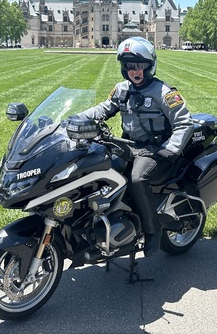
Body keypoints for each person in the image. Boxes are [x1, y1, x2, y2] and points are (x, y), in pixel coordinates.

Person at [78, 37, 193, 256]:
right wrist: (77, 119)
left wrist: (170, 150)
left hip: (155, 149)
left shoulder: (164, 92)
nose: (135, 71)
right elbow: (104, 108)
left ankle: (152, 230)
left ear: (150, 66)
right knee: (96, 168)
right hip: (127, 145)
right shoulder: (121, 89)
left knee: (137, 179)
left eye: (140, 65)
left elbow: (184, 122)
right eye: (130, 66)